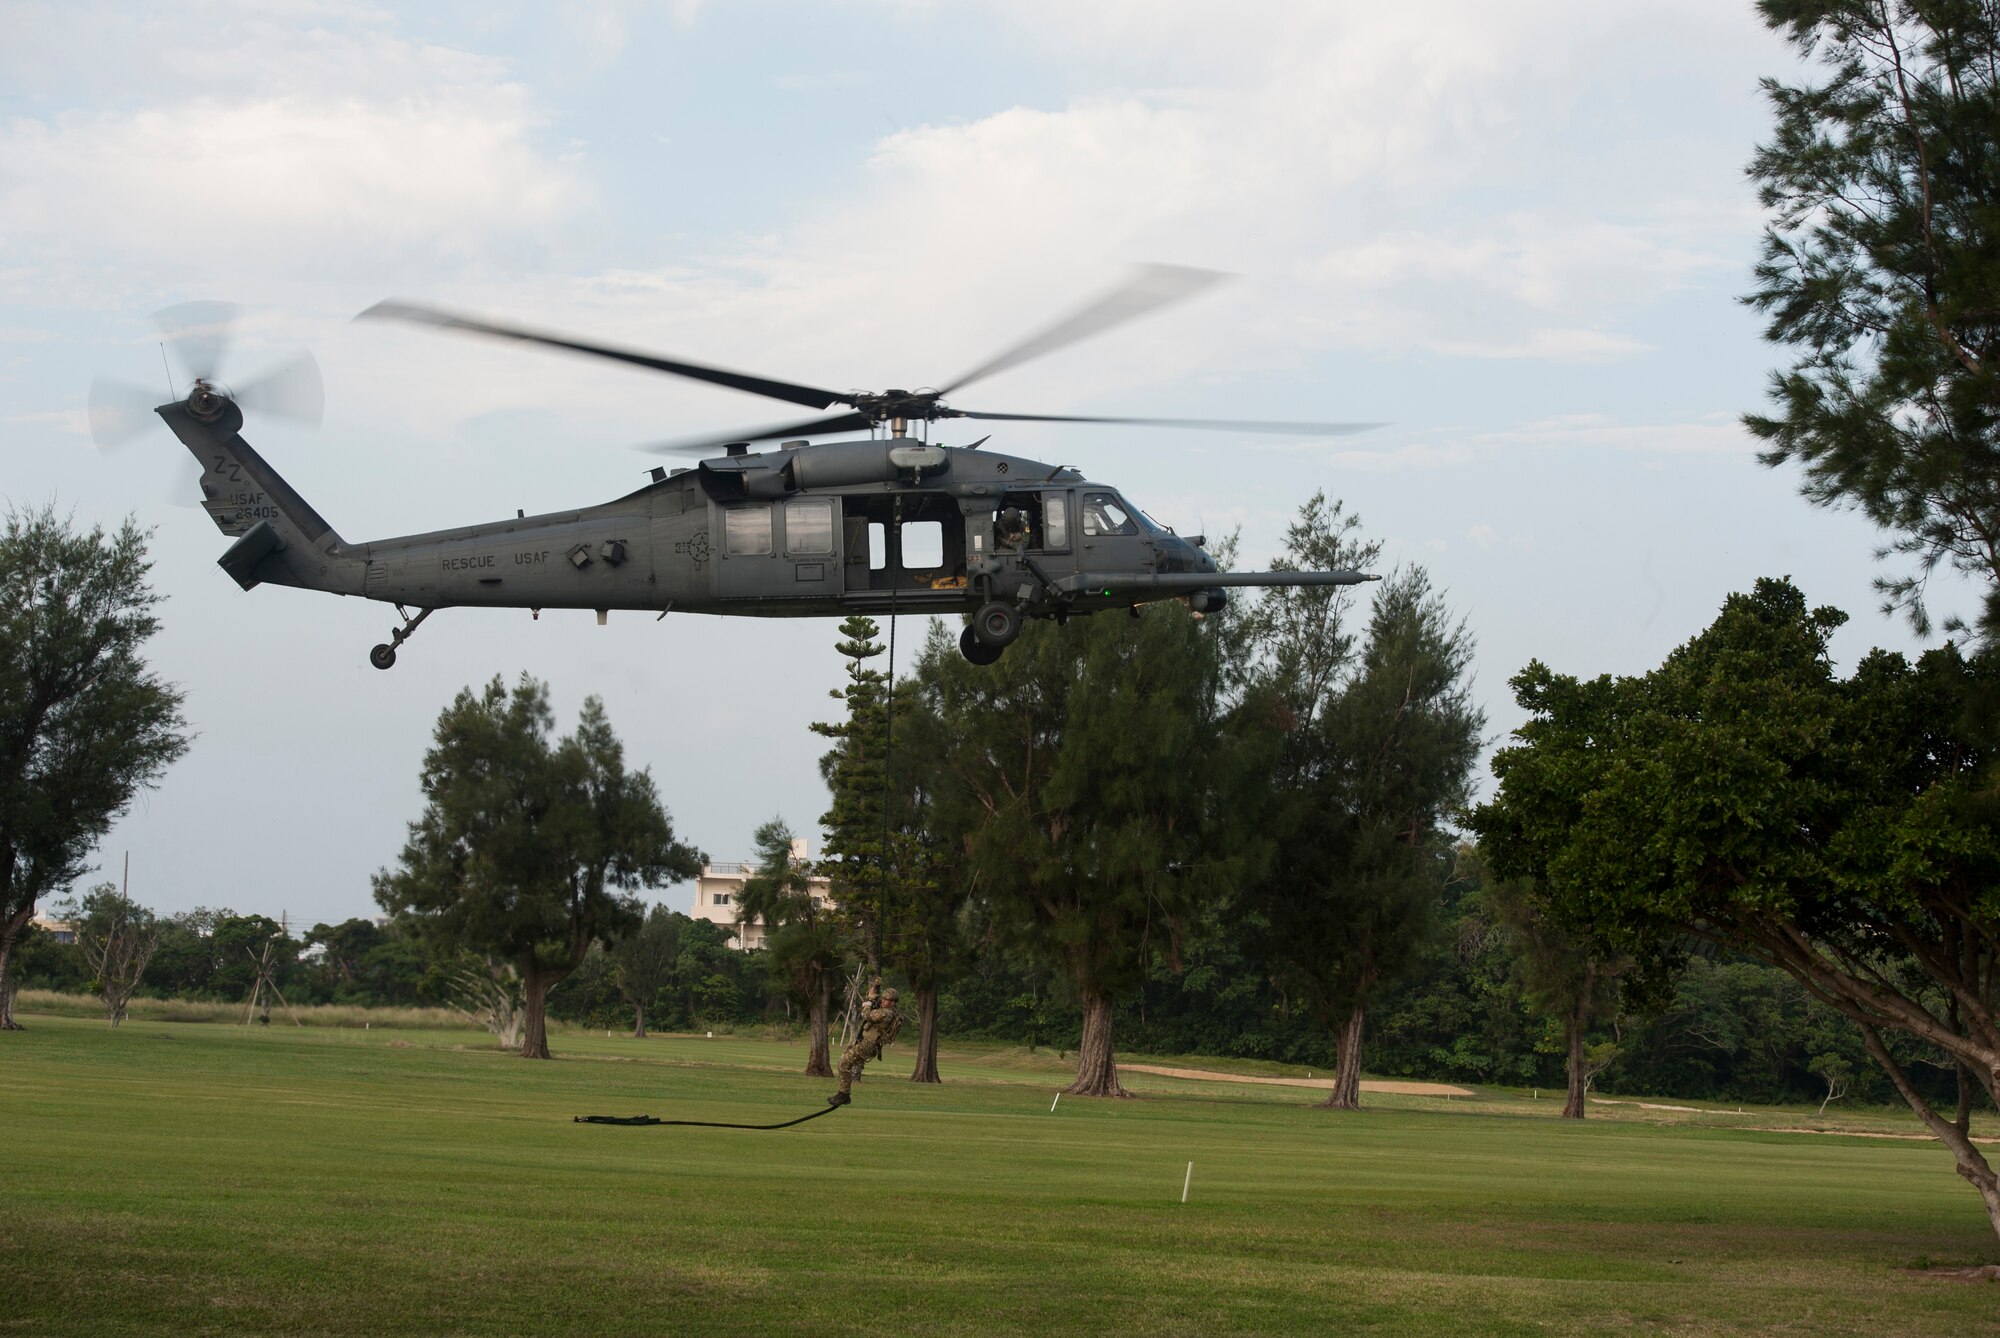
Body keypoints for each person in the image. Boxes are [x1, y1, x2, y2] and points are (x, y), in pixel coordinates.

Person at [828, 979, 903, 1106]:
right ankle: (843, 1093)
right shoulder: (887, 1011)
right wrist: (874, 990)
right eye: (883, 998)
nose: (883, 1001)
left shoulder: (887, 1013)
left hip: (867, 1045)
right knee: (844, 1063)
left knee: (843, 1064)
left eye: (887, 1000)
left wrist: (868, 1002)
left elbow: (866, 1015)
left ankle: (844, 1094)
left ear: (893, 1003)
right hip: (866, 1043)